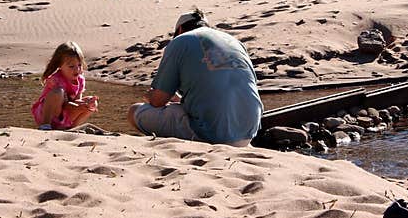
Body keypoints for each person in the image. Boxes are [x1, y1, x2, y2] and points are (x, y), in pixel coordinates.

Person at [127, 8, 263, 146]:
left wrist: (149, 95)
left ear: (179, 30)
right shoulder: (234, 41)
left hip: (213, 134)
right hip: (249, 131)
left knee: (134, 111)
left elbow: (158, 101)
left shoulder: (180, 41)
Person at [31, 41, 99, 130]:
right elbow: (65, 104)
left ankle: (72, 127)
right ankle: (45, 125)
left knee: (92, 103)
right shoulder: (56, 79)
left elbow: (76, 100)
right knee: (58, 92)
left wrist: (85, 104)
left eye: (79, 65)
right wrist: (78, 106)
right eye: (71, 66)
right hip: (49, 113)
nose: (77, 69)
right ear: (60, 65)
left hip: (65, 114)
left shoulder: (81, 80)